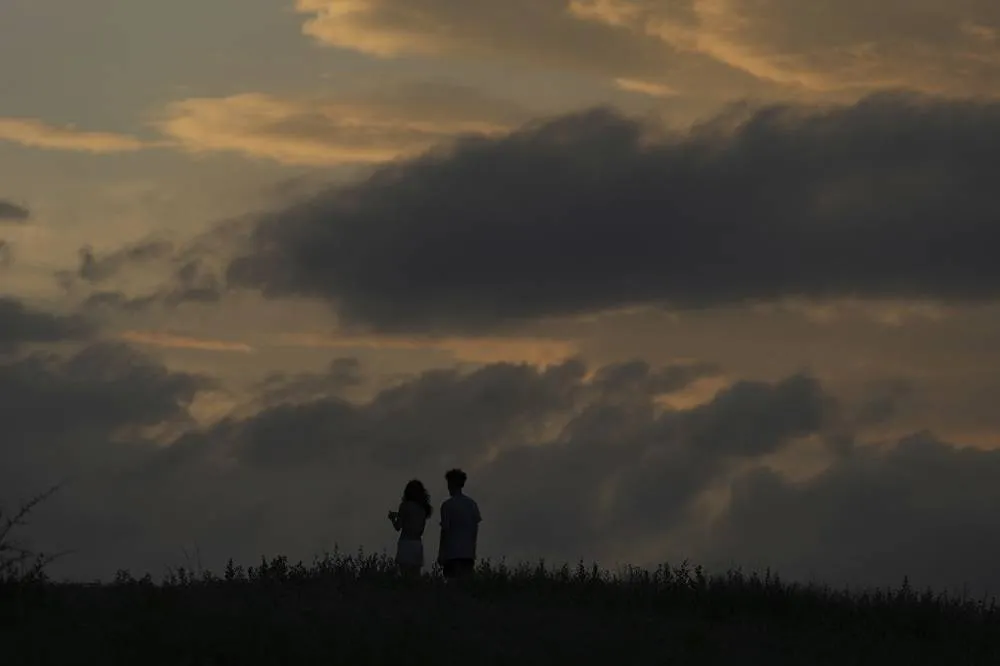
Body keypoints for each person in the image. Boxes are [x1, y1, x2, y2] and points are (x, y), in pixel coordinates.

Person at [437, 468, 482, 581]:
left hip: (452, 554)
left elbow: (445, 531)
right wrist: (472, 550)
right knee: (466, 584)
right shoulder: (472, 504)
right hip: (467, 554)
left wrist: (441, 552)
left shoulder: (447, 505)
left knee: (452, 584)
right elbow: (474, 530)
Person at [388, 479, 432, 579]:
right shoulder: (422, 509)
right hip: (417, 544)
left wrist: (392, 519)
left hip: (406, 543)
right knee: (415, 577)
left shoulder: (404, 506)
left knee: (405, 576)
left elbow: (398, 527)